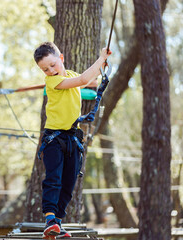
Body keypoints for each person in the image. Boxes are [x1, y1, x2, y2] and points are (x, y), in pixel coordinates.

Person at [33, 42, 111, 239]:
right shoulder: (51, 82)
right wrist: (100, 58)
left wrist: (102, 70)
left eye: (53, 65)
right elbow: (83, 79)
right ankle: (50, 218)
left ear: (61, 58)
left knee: (69, 182)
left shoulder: (70, 75)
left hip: (72, 138)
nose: (51, 70)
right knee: (54, 178)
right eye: (45, 69)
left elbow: (85, 81)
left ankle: (57, 223)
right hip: (54, 138)